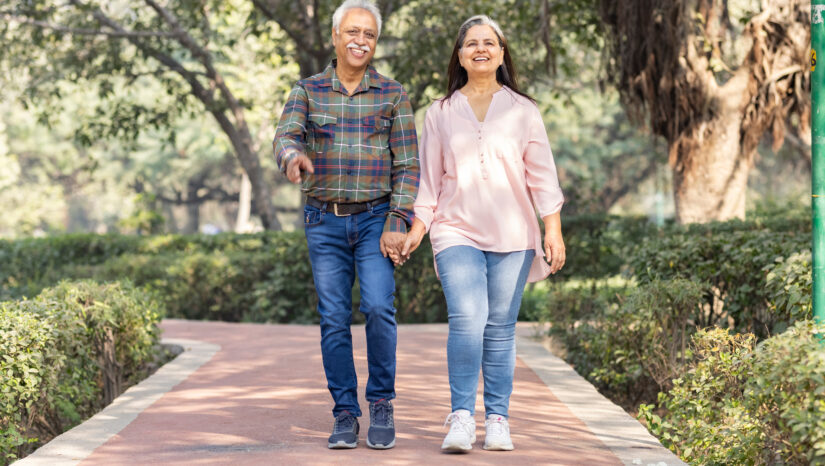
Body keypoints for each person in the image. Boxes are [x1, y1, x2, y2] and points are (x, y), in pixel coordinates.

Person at [400, 15, 566, 453]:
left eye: (488, 42)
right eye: (471, 43)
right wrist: (418, 228)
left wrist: (553, 229)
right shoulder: (438, 113)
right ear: (459, 55)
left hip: (513, 233)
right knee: (468, 321)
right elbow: (429, 182)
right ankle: (460, 417)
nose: (480, 48)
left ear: (501, 52)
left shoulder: (523, 110)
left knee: (500, 328)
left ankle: (497, 418)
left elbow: (542, 177)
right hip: (455, 230)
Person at [273, 0, 419, 450]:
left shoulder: (393, 94)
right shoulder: (308, 90)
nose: (361, 41)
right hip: (324, 220)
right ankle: (344, 412)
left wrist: (398, 218)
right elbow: (286, 136)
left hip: (377, 219)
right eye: (353, 32)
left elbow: (409, 165)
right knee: (334, 318)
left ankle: (380, 402)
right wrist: (292, 158)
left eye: (369, 35)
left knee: (378, 307)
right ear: (336, 37)